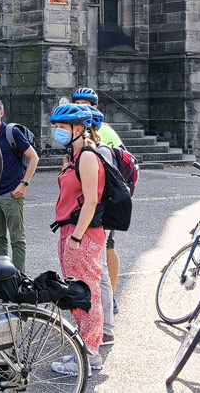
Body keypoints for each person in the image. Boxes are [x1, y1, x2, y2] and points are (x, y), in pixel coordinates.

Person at [49, 103, 106, 374]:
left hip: (81, 235)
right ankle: (83, 349)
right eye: (57, 127)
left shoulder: (87, 156)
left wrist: (76, 237)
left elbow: (91, 201)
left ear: (79, 128)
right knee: (77, 294)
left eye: (63, 127)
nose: (58, 131)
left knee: (88, 293)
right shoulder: (73, 156)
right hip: (69, 231)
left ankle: (91, 354)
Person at [71, 87, 123, 315]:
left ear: (95, 107)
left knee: (106, 250)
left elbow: (114, 175)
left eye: (85, 104)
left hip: (103, 205)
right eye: (77, 104)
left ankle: (109, 301)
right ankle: (103, 303)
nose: (80, 108)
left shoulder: (105, 133)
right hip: (91, 206)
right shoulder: (79, 133)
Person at [0, 97, 38, 273]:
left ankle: (19, 277)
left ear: (1, 113)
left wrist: (24, 184)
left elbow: (34, 157)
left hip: (11, 194)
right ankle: (2, 277)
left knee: (17, 239)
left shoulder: (11, 133)